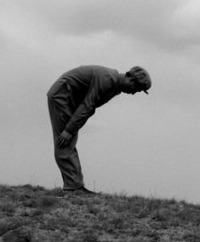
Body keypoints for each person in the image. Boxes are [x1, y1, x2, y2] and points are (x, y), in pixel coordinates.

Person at [47, 65, 152, 194]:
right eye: (136, 88)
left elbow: (90, 108)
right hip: (61, 96)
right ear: (129, 77)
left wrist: (73, 128)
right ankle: (73, 187)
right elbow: (88, 105)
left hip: (69, 98)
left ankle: (75, 185)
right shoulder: (108, 80)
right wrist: (69, 130)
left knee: (69, 138)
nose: (134, 92)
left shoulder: (114, 86)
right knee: (64, 140)